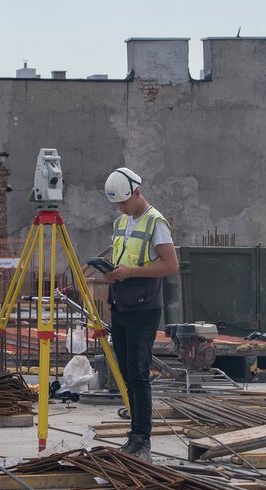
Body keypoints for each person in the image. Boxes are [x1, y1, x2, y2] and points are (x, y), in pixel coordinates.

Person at [102, 168, 178, 462]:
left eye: (124, 202)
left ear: (137, 192)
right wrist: (111, 272)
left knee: (139, 372)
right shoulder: (122, 221)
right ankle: (133, 434)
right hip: (121, 303)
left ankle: (142, 438)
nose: (121, 208)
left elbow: (170, 265)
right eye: (117, 205)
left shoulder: (155, 222)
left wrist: (131, 272)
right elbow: (121, 257)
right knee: (124, 372)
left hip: (144, 307)